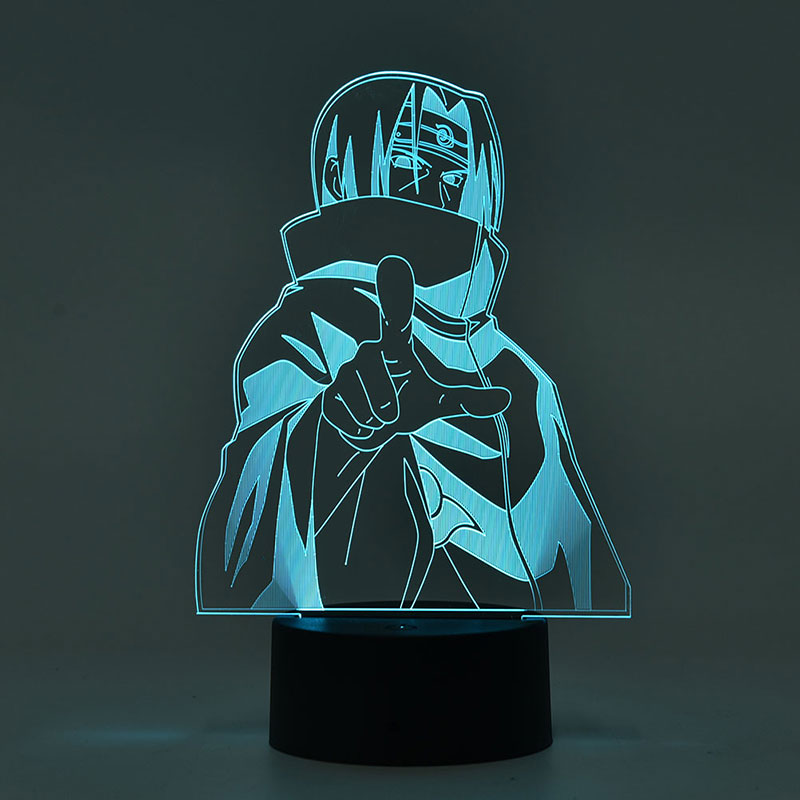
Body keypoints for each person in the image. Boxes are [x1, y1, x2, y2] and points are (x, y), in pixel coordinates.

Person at [195, 71, 630, 614]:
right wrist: (341, 431)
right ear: (342, 174)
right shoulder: (309, 329)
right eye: (409, 164)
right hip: (350, 648)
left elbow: (586, 576)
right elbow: (245, 530)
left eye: (455, 172)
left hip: (505, 652)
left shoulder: (523, 380)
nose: (435, 190)